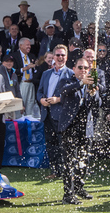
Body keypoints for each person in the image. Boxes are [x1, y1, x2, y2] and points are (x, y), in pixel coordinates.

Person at [51, 57, 95, 204]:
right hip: (69, 127)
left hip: (85, 127)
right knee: (69, 162)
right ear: (74, 69)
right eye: (80, 67)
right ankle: (68, 194)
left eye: (86, 68)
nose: (83, 70)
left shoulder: (91, 83)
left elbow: (99, 103)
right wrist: (81, 83)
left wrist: (93, 94)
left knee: (84, 160)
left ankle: (79, 187)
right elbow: (64, 91)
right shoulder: (67, 80)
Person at [38, 46, 77, 176]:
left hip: (61, 114)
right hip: (47, 113)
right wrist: (41, 100)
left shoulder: (71, 73)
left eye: (63, 55)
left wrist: (59, 99)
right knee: (50, 144)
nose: (60, 58)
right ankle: (55, 170)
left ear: (67, 57)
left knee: (63, 144)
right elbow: (39, 92)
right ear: (53, 57)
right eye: (58, 55)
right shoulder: (45, 74)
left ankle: (64, 171)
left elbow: (74, 97)